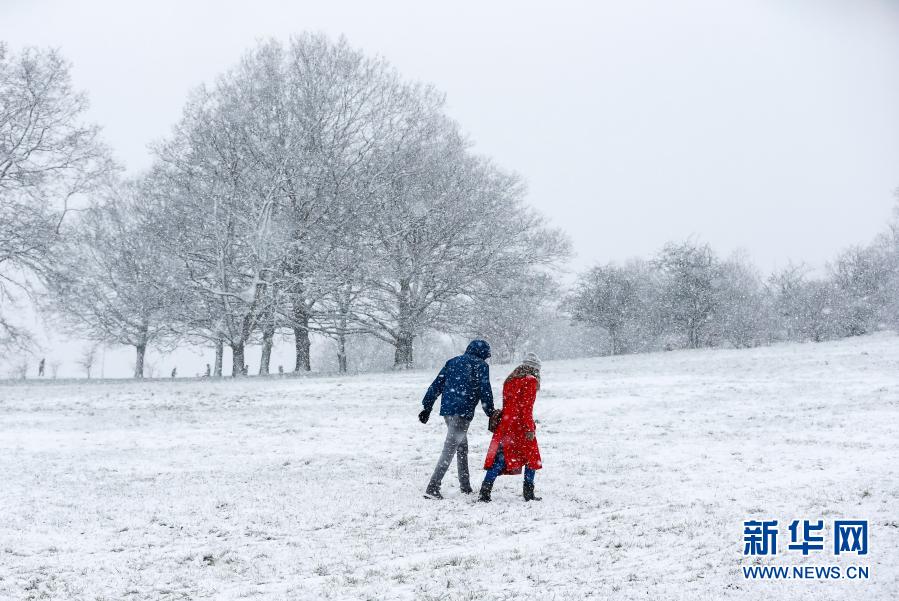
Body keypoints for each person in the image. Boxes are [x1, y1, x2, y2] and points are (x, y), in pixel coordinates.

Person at [419, 339, 498, 499]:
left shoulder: (452, 362)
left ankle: (465, 486)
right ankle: (432, 487)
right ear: (483, 353)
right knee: (449, 450)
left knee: (461, 447)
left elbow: (436, 385)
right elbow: (485, 390)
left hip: (448, 411)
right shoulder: (481, 366)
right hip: (463, 412)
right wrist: (490, 412)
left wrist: (427, 406)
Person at [479, 352, 543, 502]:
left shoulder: (510, 379)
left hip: (506, 424)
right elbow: (526, 408)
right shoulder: (530, 381)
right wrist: (529, 429)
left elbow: (510, 405)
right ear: (535, 369)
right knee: (532, 458)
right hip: (520, 426)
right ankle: (528, 493)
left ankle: (485, 492)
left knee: (501, 458)